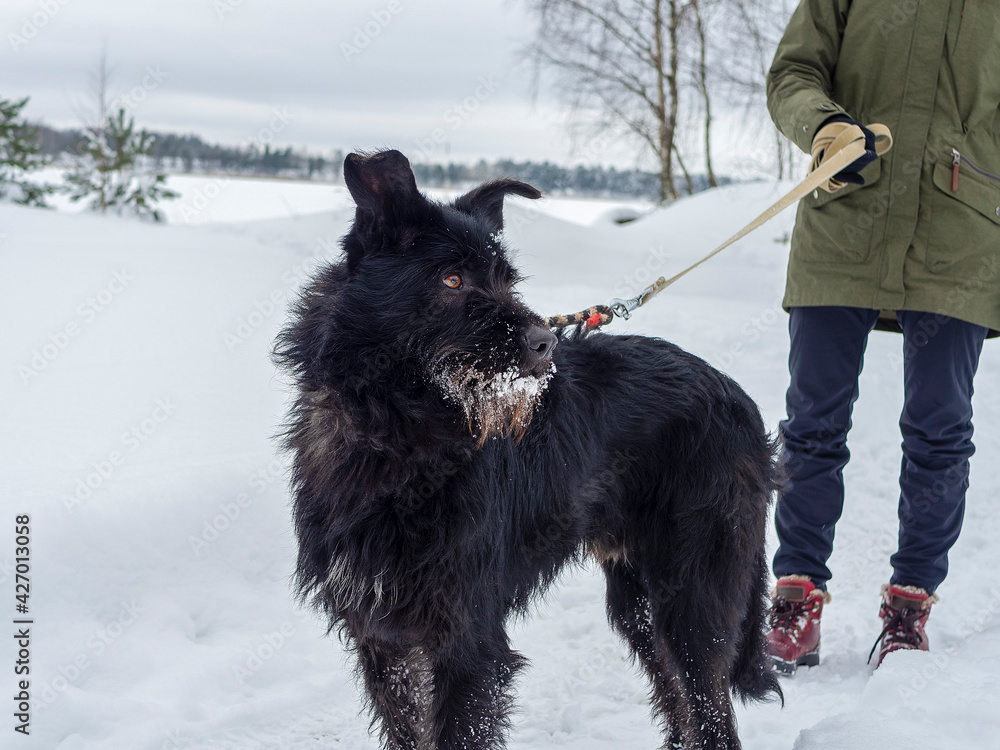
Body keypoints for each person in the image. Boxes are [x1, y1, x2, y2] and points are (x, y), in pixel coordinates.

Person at [763, 0, 1000, 672]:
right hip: (843, 219)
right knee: (812, 421)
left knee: (939, 427)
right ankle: (795, 596)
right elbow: (793, 72)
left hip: (960, 232)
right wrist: (826, 126)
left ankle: (909, 607)